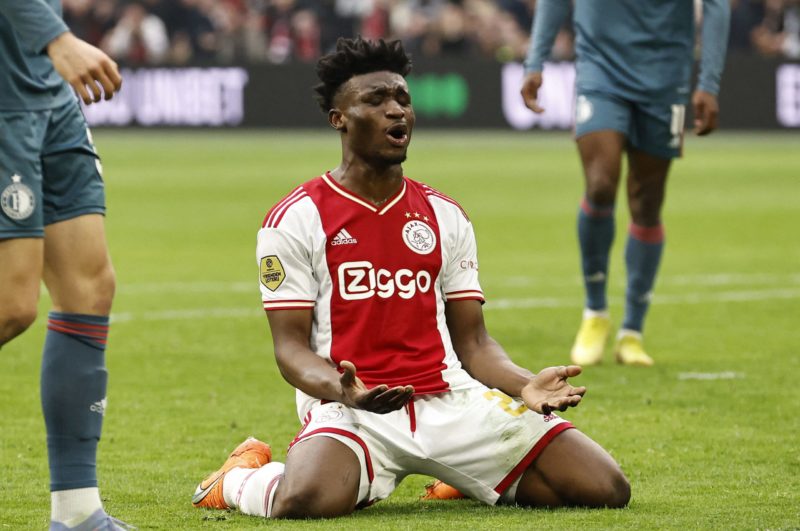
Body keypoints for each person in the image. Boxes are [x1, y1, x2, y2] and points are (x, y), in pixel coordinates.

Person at [191, 37, 630, 520]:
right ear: (339, 117)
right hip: (356, 410)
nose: (396, 111)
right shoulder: (296, 218)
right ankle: (238, 477)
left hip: (451, 401)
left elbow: (475, 342)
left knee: (605, 488)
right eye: (375, 101)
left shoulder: (445, 215)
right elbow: (290, 349)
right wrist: (343, 389)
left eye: (402, 98)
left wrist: (524, 383)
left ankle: (462, 475)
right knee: (304, 501)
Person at [521, 0, 731, 366]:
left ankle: (632, 332)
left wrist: (709, 81)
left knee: (647, 203)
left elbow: (716, 5)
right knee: (601, 183)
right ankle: (595, 312)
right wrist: (535, 60)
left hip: (666, 75)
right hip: (601, 69)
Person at [0, 1, 128, 530]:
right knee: (11, 306)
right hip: (5, 99)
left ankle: (76, 514)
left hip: (50, 98)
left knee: (89, 289)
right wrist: (57, 37)